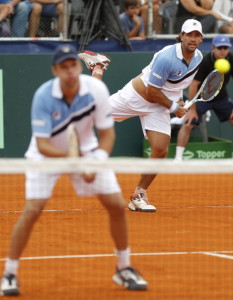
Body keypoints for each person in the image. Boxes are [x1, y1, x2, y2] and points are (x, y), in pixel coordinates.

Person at [0, 45, 148, 296]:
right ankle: (9, 274)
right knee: (33, 210)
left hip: (87, 149)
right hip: (46, 155)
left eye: (73, 65)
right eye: (63, 66)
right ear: (55, 70)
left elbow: (107, 133)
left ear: (79, 67)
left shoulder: (96, 89)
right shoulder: (44, 96)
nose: (69, 71)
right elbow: (44, 145)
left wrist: (96, 159)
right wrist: (76, 159)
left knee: (115, 204)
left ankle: (123, 268)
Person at [78, 19, 204, 212]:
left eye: (197, 35)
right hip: (136, 97)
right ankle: (98, 67)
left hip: (158, 107)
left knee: (160, 149)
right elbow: (152, 90)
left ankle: (138, 195)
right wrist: (174, 107)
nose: (193, 39)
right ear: (181, 36)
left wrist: (176, 100)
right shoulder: (166, 57)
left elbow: (178, 84)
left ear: (201, 38)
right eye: (189, 34)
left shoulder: (198, 58)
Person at [175, 34, 233, 161]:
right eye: (220, 48)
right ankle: (178, 159)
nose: (223, 50)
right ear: (213, 47)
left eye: (225, 48)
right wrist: (193, 110)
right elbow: (193, 86)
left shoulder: (231, 59)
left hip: (221, 98)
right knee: (188, 123)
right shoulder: (205, 62)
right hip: (202, 98)